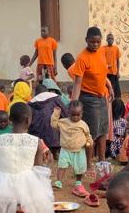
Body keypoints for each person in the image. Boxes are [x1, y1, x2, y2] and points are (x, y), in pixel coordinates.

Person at [0, 101, 54, 213]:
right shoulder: (36, 142)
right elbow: (37, 168)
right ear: (28, 120)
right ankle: (21, 208)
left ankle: (3, 210)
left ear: (10, 119)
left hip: (1, 183)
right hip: (27, 183)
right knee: (33, 180)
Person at [69, 26, 112, 162]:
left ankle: (102, 159)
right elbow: (77, 83)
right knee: (91, 132)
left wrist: (109, 86)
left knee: (103, 130)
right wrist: (74, 104)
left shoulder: (101, 51)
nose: (95, 45)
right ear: (86, 40)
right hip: (89, 98)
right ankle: (88, 163)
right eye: (92, 42)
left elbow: (102, 72)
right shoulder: (82, 58)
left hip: (102, 96)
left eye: (98, 42)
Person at [52, 100, 94, 200]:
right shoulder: (63, 122)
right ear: (68, 112)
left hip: (79, 150)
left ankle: (78, 182)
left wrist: (89, 142)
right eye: (73, 114)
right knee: (62, 165)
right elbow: (53, 124)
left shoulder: (83, 125)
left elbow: (88, 135)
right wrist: (56, 112)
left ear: (82, 113)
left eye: (78, 115)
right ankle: (59, 181)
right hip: (65, 149)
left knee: (80, 167)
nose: (75, 117)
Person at [103, 32, 122, 99]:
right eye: (109, 38)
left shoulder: (116, 48)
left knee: (115, 87)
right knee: (106, 86)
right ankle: (107, 96)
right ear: (106, 40)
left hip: (113, 71)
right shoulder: (103, 48)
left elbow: (118, 60)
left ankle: (115, 98)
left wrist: (118, 72)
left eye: (111, 39)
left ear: (113, 40)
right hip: (106, 71)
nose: (110, 40)